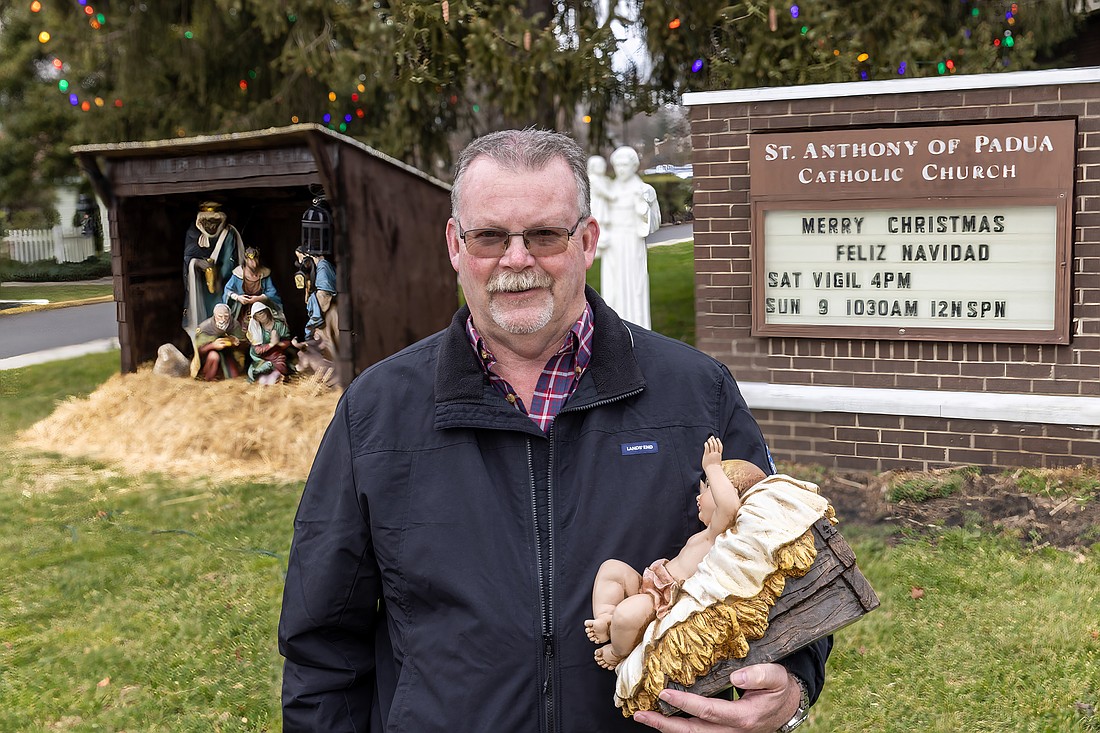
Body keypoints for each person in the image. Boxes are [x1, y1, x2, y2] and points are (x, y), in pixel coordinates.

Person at [278, 129, 829, 733]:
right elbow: (324, 645)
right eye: (490, 236)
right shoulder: (377, 412)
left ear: (588, 240)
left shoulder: (696, 393)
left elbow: (785, 560)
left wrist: (794, 686)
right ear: (456, 245)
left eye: (545, 234)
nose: (517, 260)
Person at [586, 436, 766, 671]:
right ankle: (606, 616)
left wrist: (712, 466)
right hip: (651, 582)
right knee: (612, 569)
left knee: (627, 615)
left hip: (660, 601)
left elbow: (730, 507)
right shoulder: (705, 534)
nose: (698, 497)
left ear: (729, 492)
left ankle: (617, 650)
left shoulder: (717, 535)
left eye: (708, 488)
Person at [600, 145, 661, 329]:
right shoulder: (610, 189)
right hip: (613, 244)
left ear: (633, 165)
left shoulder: (642, 189)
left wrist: (647, 204)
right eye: (618, 165)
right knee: (613, 288)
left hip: (631, 242)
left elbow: (654, 221)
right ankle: (613, 328)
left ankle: (637, 325)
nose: (621, 169)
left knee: (634, 287)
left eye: (625, 165)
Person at [183, 201, 245, 337]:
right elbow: (188, 257)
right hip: (200, 283)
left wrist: (218, 276)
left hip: (222, 283)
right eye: (206, 221)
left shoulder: (228, 234)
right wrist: (197, 264)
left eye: (214, 221)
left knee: (222, 312)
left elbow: (231, 260)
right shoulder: (193, 233)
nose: (210, 225)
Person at [223, 246, 284, 332]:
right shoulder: (238, 274)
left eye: (256, 259)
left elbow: (272, 292)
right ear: (246, 260)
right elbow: (227, 290)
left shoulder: (264, 274)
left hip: (261, 307)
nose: (254, 263)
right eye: (251, 260)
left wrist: (260, 298)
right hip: (242, 309)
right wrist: (238, 297)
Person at [294, 245, 339, 361]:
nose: (300, 263)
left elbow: (323, 297)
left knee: (326, 340)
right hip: (326, 312)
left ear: (309, 258)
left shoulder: (323, 268)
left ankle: (335, 369)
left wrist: (312, 321)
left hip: (328, 313)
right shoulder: (319, 267)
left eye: (301, 259)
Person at [193, 303, 247, 381]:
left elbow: (244, 343)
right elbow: (198, 350)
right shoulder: (205, 327)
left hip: (228, 354)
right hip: (208, 356)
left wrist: (235, 342)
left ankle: (221, 374)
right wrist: (212, 345)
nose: (223, 319)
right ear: (215, 315)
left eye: (226, 316)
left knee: (234, 374)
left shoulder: (234, 325)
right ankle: (207, 376)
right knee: (213, 356)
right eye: (220, 316)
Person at [246, 301, 292, 384]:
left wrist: (277, 343)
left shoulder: (279, 325)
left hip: (277, 356)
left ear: (267, 311)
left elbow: (287, 342)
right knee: (259, 376)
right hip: (261, 358)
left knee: (278, 371)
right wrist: (271, 344)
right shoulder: (256, 330)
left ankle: (279, 376)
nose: (261, 316)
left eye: (262, 312)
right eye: (258, 315)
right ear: (255, 318)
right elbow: (257, 350)